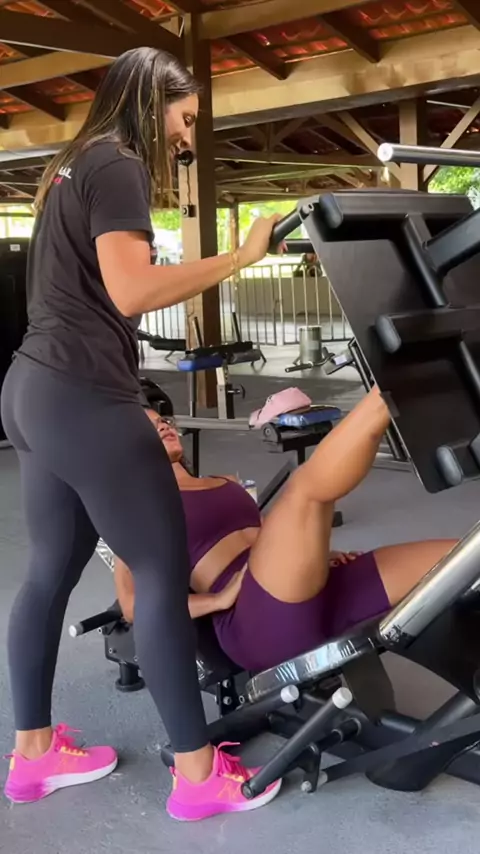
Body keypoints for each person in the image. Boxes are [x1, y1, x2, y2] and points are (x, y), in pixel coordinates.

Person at [1, 47, 282, 821]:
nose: (187, 137)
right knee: (159, 573)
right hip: (83, 397)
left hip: (30, 389)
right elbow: (130, 291)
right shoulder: (118, 161)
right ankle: (198, 777)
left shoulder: (71, 163)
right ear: (153, 104)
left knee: (48, 574)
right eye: (185, 119)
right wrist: (240, 256)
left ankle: (33, 756)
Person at [115, 390, 456, 677]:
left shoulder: (225, 482)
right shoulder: (133, 508)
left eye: (162, 420)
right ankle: (389, 389)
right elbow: (132, 606)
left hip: (302, 589)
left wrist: (317, 556)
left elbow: (272, 541)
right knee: (304, 488)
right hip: (255, 622)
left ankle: (393, 388)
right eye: (149, 426)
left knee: (459, 561)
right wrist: (217, 601)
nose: (163, 425)